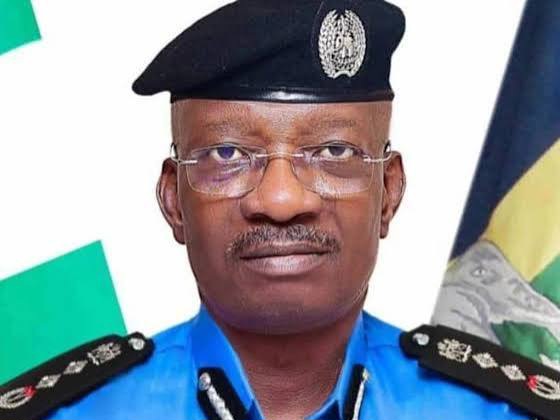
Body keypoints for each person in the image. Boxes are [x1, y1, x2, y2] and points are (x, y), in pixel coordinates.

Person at [0, 1, 554, 420]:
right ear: (173, 200)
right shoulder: (72, 412)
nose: (282, 200)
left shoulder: (502, 411)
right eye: (227, 154)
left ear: (389, 192)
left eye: (333, 152)